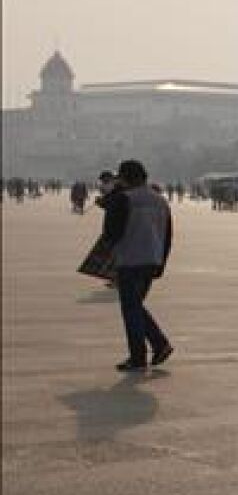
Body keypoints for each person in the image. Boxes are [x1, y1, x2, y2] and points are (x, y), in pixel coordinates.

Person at [98, 160, 173, 373]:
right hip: (152, 259)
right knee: (135, 306)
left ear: (123, 178)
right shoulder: (160, 201)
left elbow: (111, 232)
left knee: (130, 309)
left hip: (130, 260)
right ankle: (159, 345)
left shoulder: (124, 199)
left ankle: (140, 356)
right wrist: (161, 262)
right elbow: (167, 236)